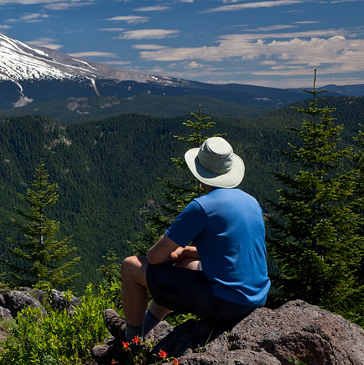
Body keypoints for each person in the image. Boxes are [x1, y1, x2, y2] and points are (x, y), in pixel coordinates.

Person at [104, 136, 270, 344]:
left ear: (200, 173)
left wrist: (171, 252)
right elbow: (232, 251)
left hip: (225, 303)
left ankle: (129, 344)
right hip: (254, 299)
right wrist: (186, 251)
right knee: (183, 264)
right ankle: (143, 332)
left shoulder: (202, 207)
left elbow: (154, 258)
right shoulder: (251, 202)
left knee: (131, 266)